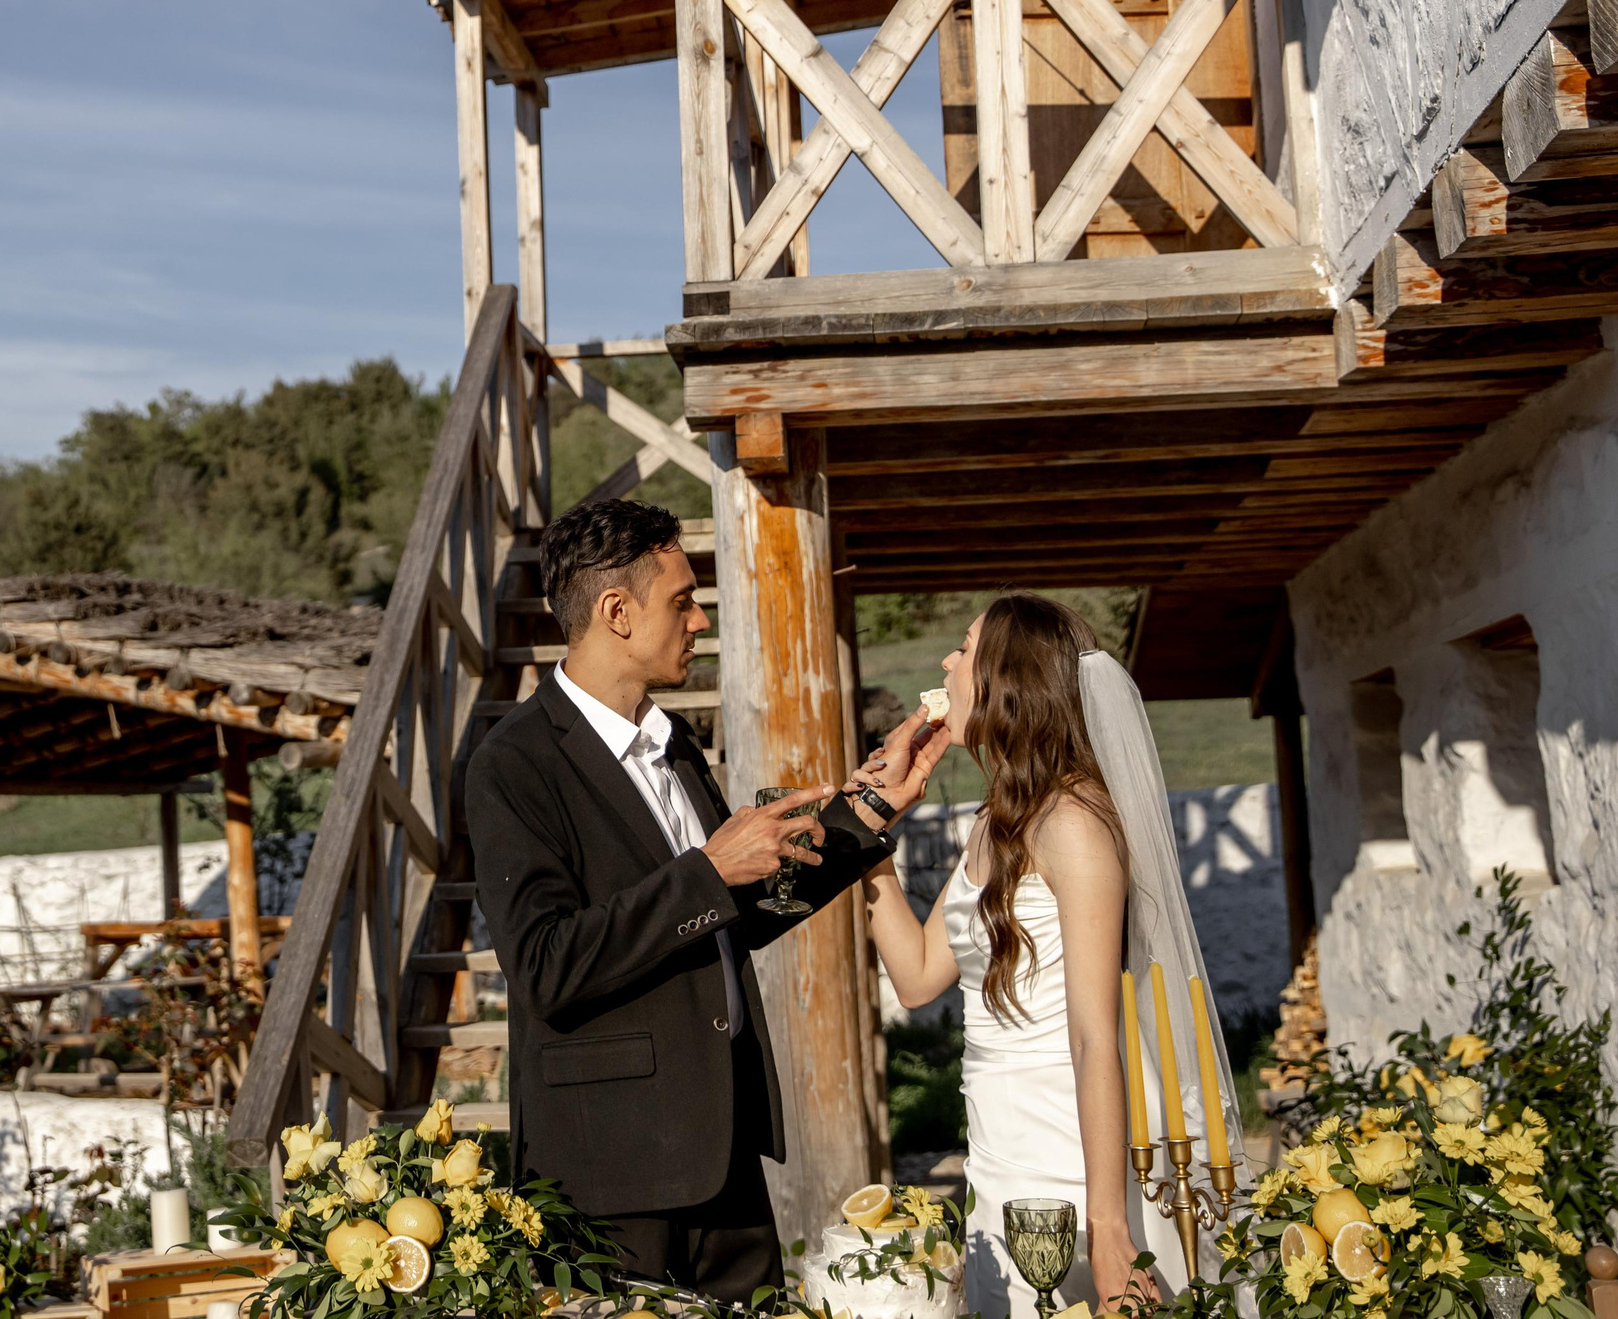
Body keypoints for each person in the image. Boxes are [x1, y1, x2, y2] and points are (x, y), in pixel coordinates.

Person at [465, 498, 952, 1305]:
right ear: (617, 612)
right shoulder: (512, 764)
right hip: (610, 1177)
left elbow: (745, 904)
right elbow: (546, 966)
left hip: (723, 1151)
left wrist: (870, 808)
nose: (698, 619)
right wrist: (705, 870)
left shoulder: (673, 743)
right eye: (682, 600)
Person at [855, 593, 1240, 1313]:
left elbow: (1098, 1035)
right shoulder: (995, 823)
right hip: (1000, 1137)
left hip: (1074, 1138)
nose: (946, 661)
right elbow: (914, 978)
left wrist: (1109, 1222)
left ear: (1009, 678)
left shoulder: (1075, 821)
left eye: (965, 648)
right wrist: (871, 836)